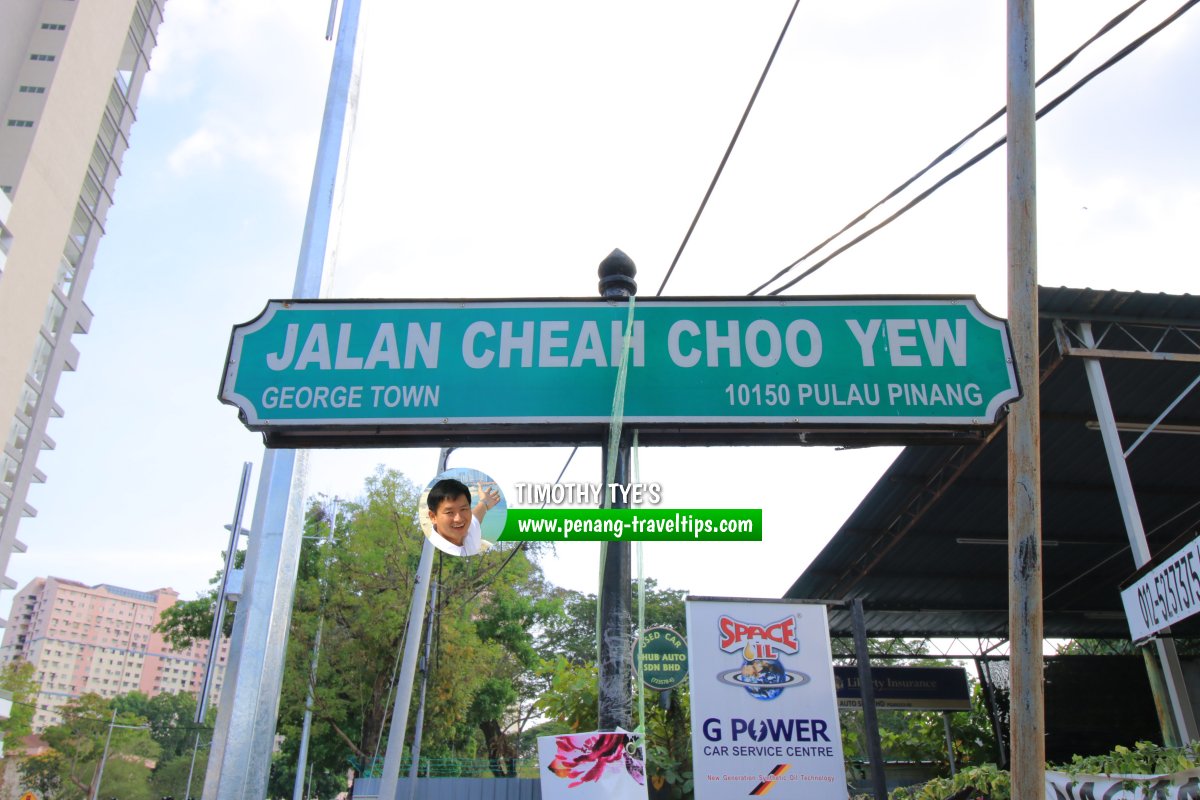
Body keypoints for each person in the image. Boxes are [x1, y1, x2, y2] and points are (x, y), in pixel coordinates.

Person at [425, 478, 500, 557]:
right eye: (449, 512)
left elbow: (476, 516)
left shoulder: (469, 530)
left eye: (463, 509)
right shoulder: (433, 553)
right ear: (433, 517)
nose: (459, 519)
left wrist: (484, 502)